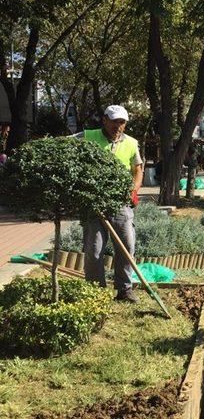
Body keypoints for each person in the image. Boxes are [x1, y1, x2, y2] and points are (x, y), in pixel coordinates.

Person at [75, 105, 143, 303]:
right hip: (94, 203)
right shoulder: (87, 136)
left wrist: (134, 190)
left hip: (121, 203)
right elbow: (63, 147)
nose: (118, 125)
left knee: (126, 246)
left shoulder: (131, 143)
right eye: (114, 121)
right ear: (104, 119)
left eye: (122, 122)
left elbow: (138, 169)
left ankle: (124, 289)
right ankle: (96, 292)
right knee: (94, 249)